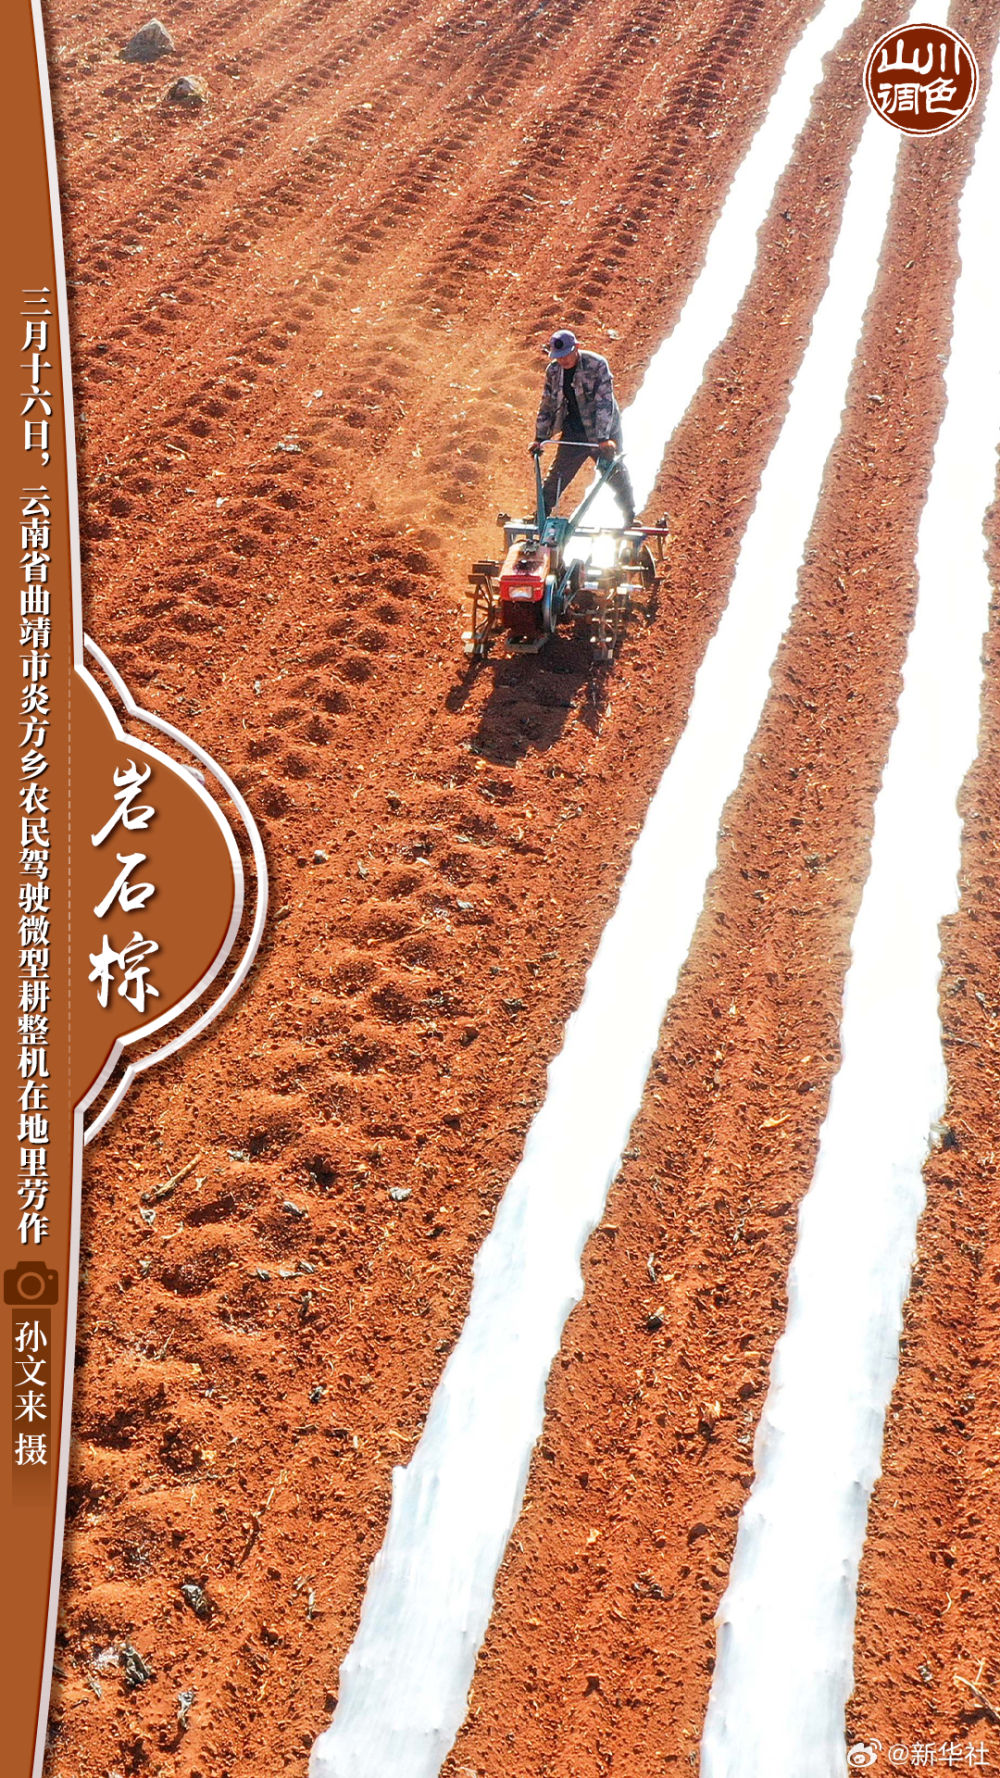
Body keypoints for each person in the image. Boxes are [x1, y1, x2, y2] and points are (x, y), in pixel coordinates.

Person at [532, 328, 636, 526]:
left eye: (566, 355)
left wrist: (603, 439)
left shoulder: (596, 365)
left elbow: (604, 403)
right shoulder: (554, 371)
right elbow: (547, 404)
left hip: (603, 430)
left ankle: (629, 516)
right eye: (559, 356)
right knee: (558, 475)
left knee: (613, 471)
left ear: (577, 348)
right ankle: (540, 518)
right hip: (574, 430)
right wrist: (540, 438)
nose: (563, 360)